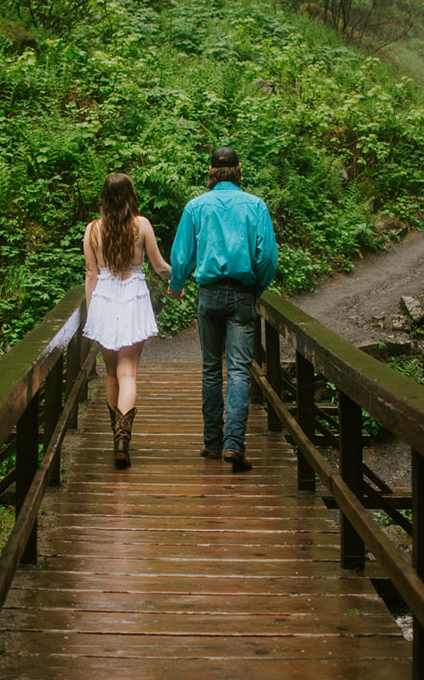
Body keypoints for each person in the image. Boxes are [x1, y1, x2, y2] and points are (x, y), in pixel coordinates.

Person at [168, 145, 278, 472]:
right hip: (242, 294)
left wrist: (177, 283)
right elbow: (267, 257)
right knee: (240, 370)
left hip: (208, 294)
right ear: (239, 169)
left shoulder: (196, 206)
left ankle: (213, 442)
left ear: (212, 172)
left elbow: (182, 254)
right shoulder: (255, 206)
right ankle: (234, 444)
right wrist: (255, 288)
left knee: (211, 368)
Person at [82, 171, 173, 468]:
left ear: (105, 198)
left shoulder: (92, 230)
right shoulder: (142, 225)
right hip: (133, 296)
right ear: (130, 195)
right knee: (128, 373)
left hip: (105, 298)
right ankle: (123, 440)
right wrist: (180, 275)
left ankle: (116, 437)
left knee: (111, 373)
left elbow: (91, 274)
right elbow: (159, 266)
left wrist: (92, 311)